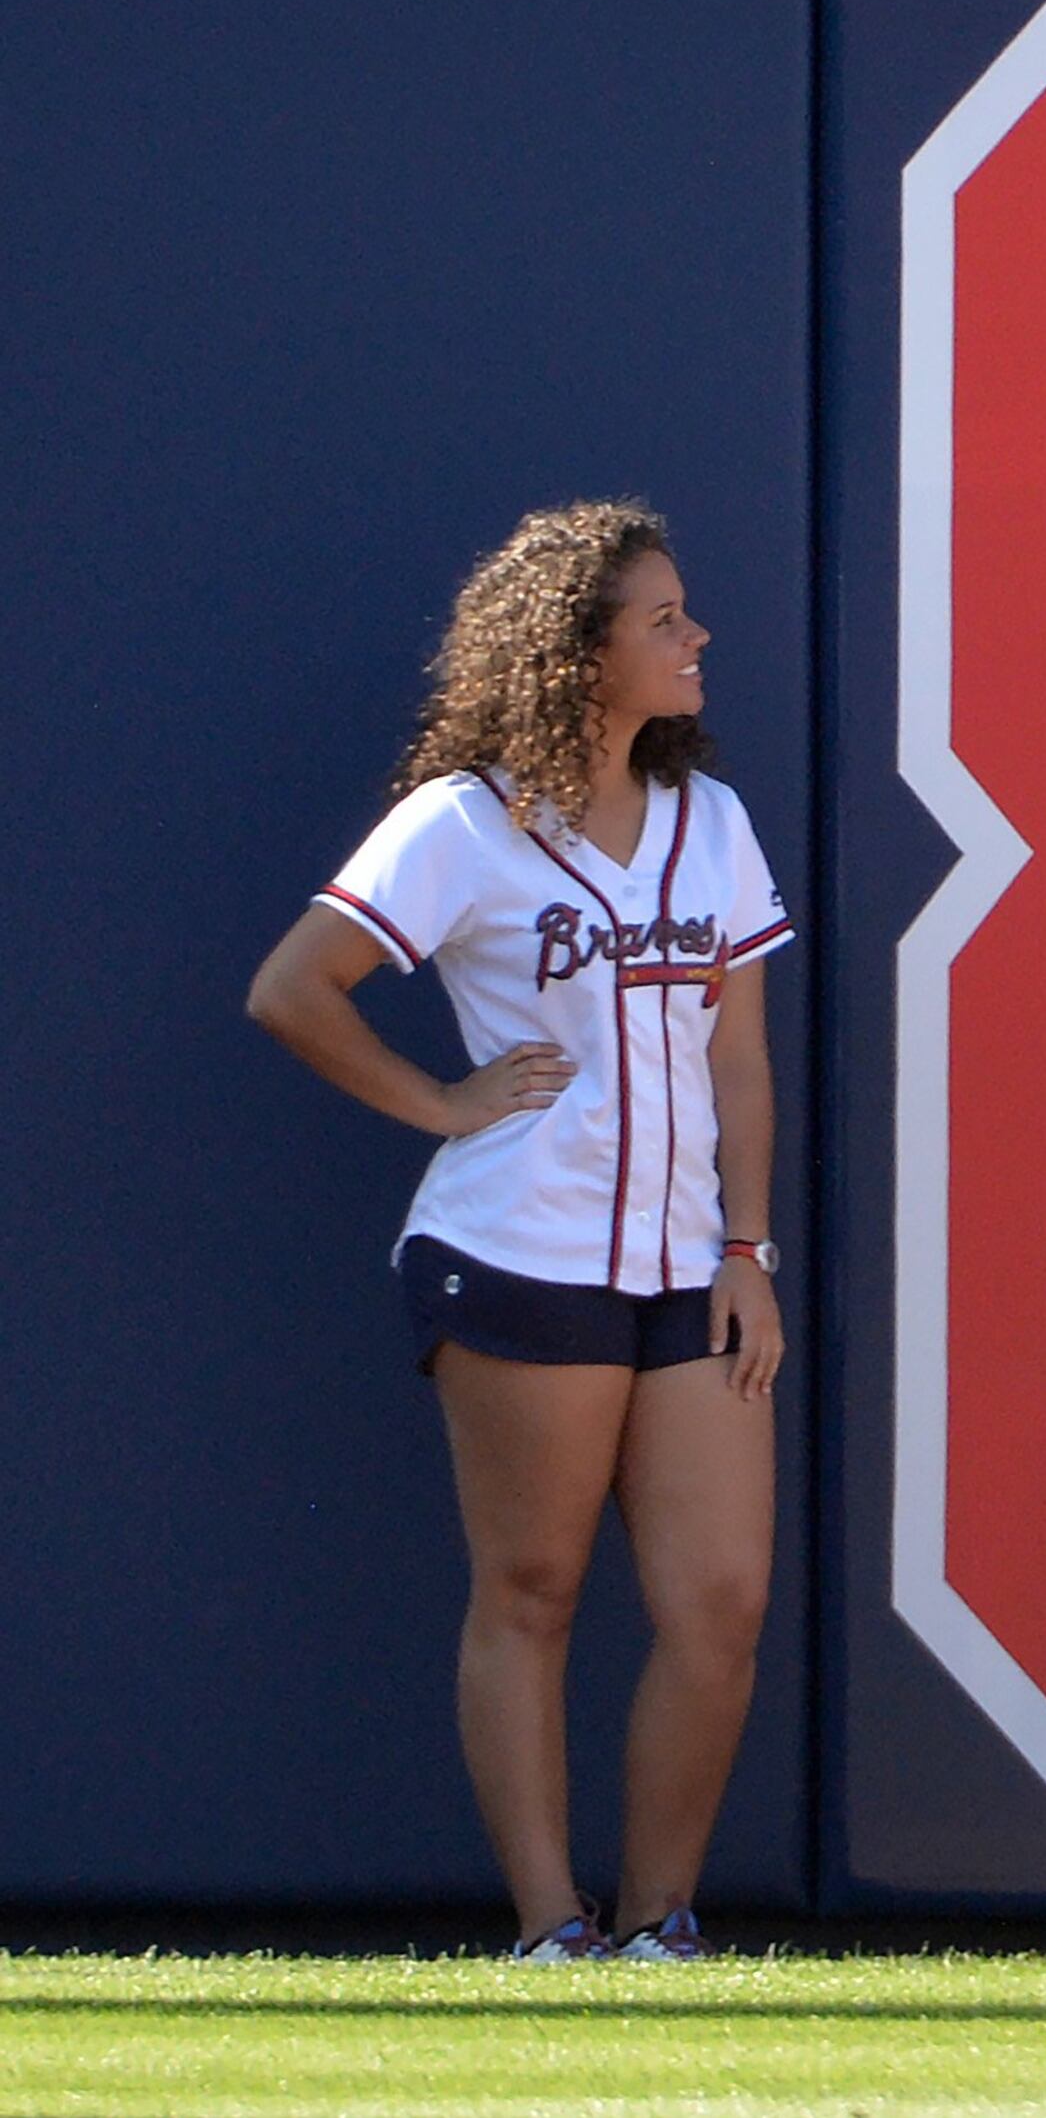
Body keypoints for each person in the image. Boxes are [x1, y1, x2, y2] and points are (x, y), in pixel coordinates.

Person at [247, 501, 791, 1962]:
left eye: (687, 614)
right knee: (534, 1589)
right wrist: (437, 1100)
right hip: (516, 1247)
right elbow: (296, 986)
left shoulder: (710, 823)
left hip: (689, 1264)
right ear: (577, 649)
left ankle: (664, 1922)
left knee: (719, 1602)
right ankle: (554, 1926)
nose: (696, 639)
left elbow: (737, 1057)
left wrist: (751, 1251)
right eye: (663, 620)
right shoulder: (462, 822)